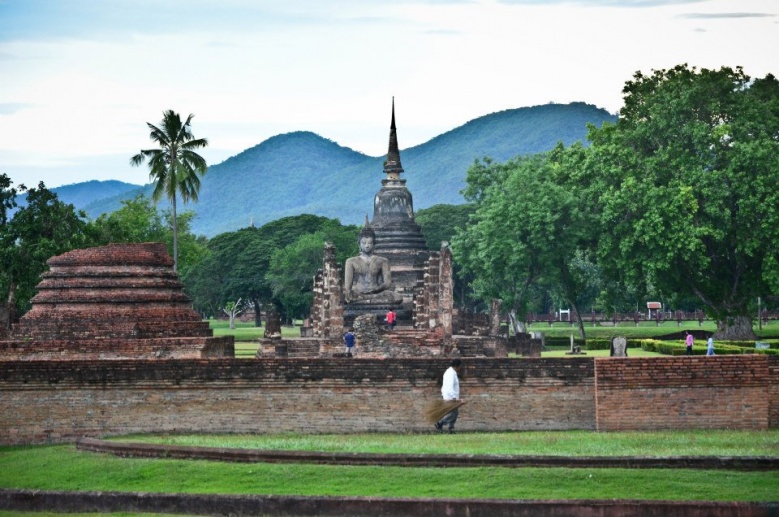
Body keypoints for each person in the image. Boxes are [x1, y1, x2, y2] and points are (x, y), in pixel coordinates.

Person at [343, 219, 402, 305]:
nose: (367, 245)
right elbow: (348, 287)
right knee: (343, 297)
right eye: (364, 243)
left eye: (370, 243)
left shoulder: (383, 261)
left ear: (374, 244)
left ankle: (365, 302)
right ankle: (366, 301)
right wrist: (348, 293)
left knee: (397, 297)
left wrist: (376, 289)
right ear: (359, 244)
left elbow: (387, 283)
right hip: (359, 293)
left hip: (377, 293)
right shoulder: (351, 261)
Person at [435, 358, 463, 434]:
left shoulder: (449, 372)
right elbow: (450, 386)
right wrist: (453, 397)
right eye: (460, 366)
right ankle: (441, 423)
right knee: (453, 413)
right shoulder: (451, 373)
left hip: (449, 396)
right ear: (457, 366)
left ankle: (451, 428)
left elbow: (444, 387)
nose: (461, 368)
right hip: (450, 397)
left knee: (454, 413)